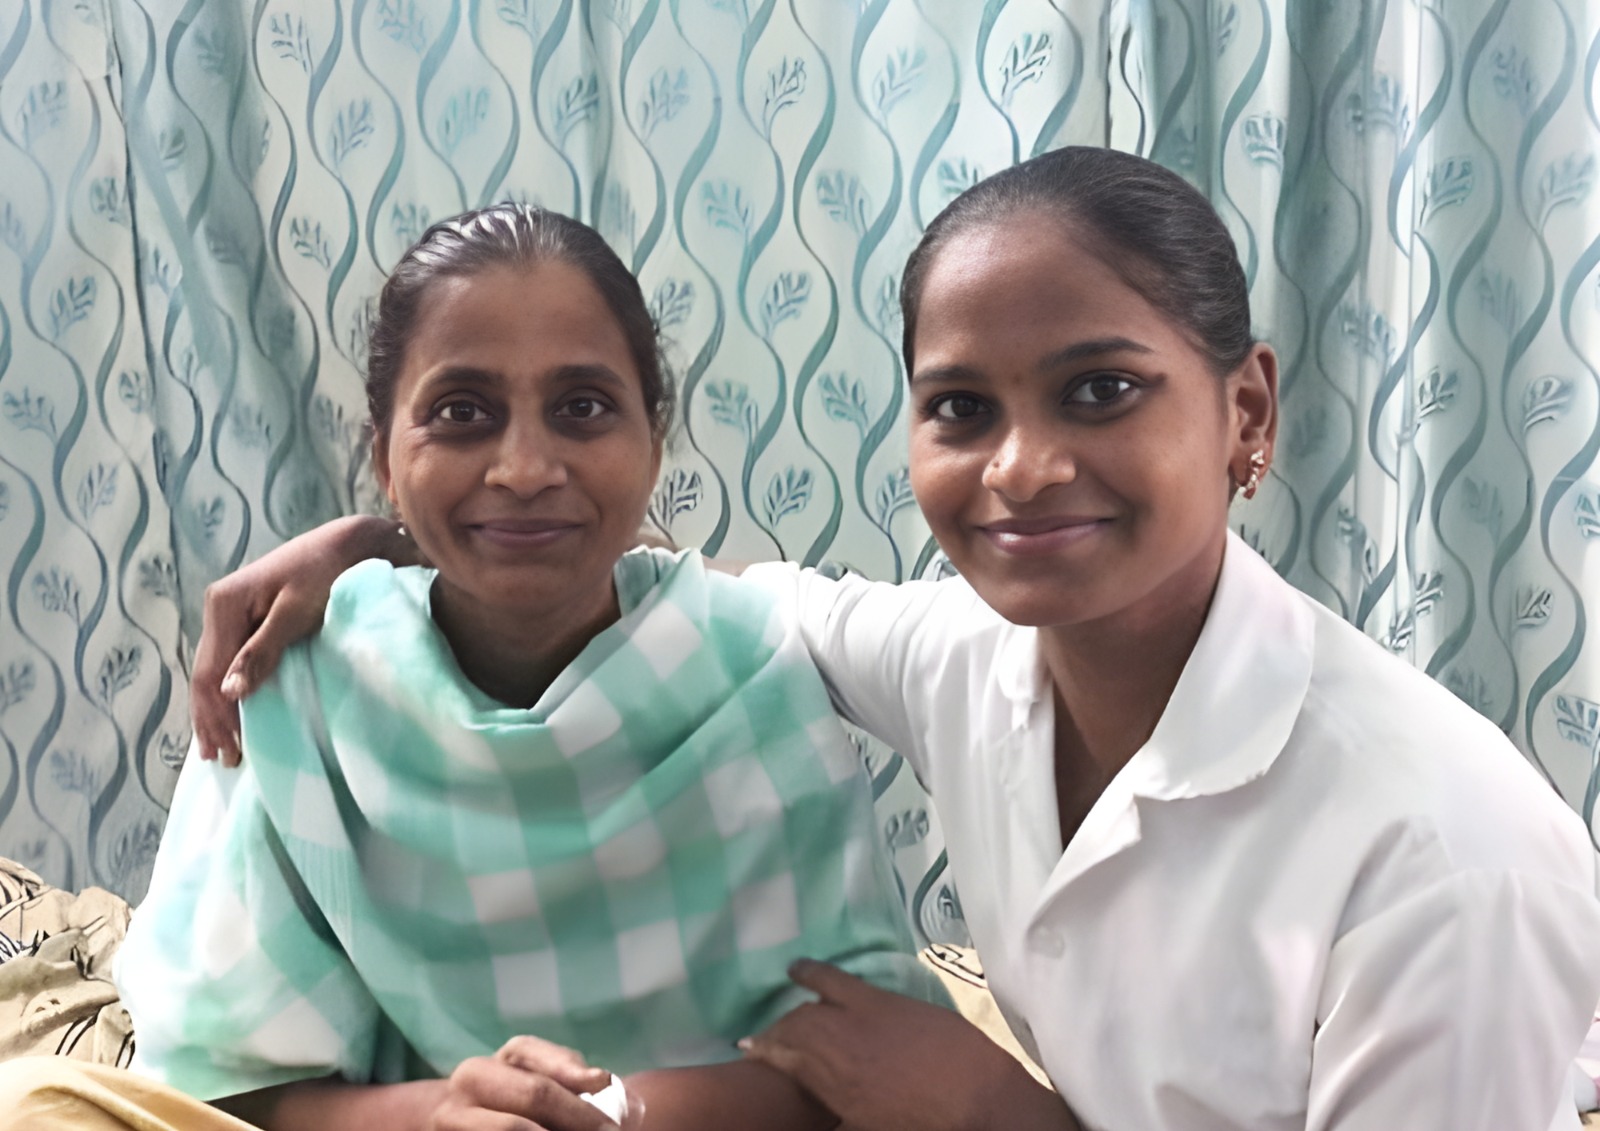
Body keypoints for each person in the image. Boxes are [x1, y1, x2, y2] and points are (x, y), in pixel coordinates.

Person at [188, 148, 1600, 1131]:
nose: (1023, 469)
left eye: (1101, 389)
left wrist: (990, 1107)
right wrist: (369, 549)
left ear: (1246, 414)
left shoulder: (1446, 858)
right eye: (962, 408)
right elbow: (671, 579)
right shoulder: (971, 658)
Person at [0, 204, 952, 1131]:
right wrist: (439, 1113)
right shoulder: (303, 683)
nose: (526, 466)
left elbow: (855, 1057)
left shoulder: (749, 663)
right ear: (384, 451)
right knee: (41, 1105)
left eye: (582, 408)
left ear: (653, 442)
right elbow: (222, 1075)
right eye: (462, 412)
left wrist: (608, 1113)